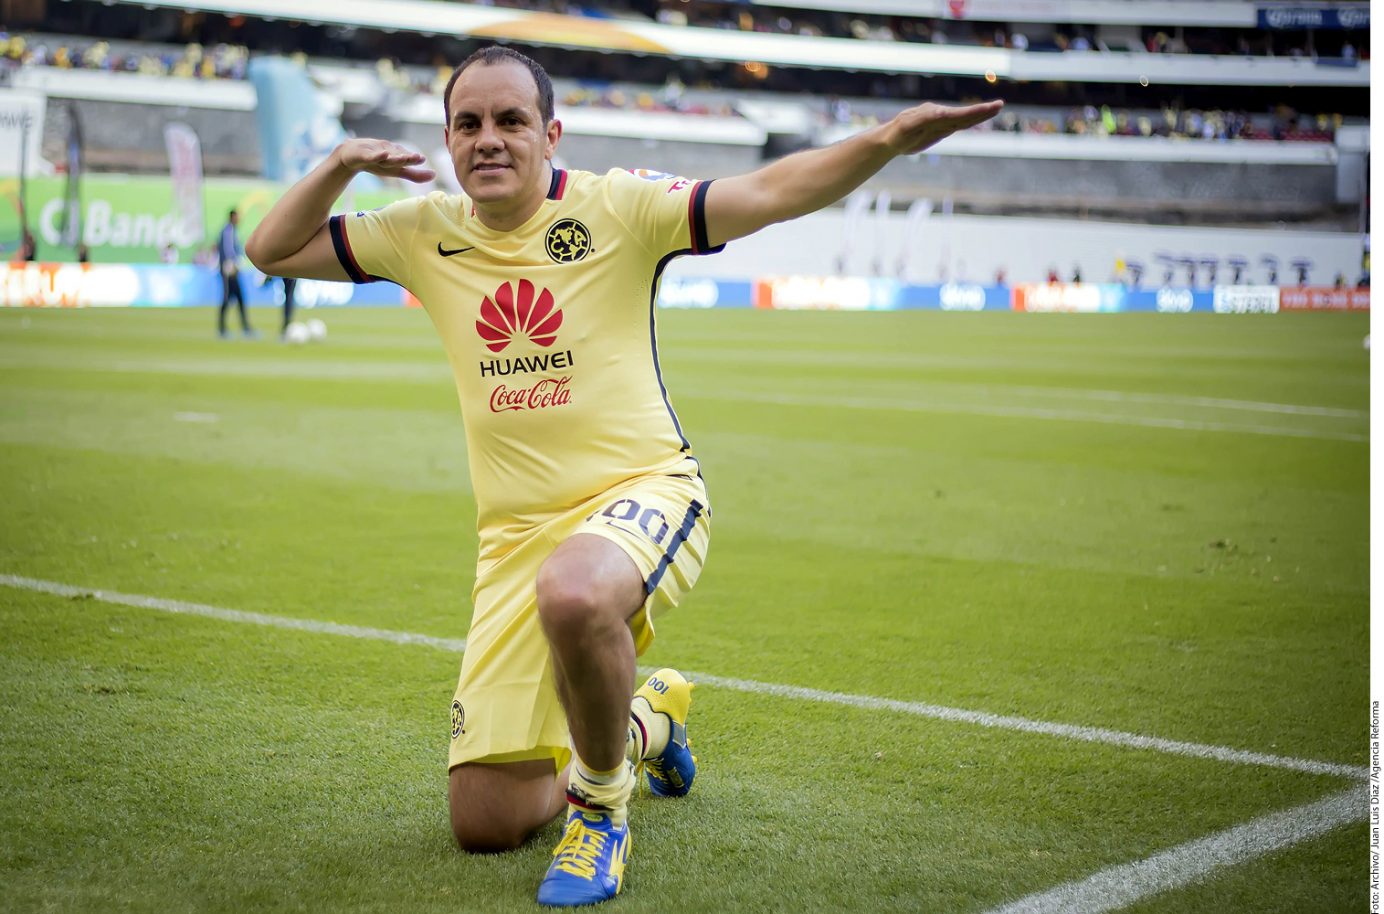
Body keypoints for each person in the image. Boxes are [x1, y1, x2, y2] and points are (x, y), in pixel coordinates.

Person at [246, 45, 1000, 908]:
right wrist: (342, 162)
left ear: (551, 134)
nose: (488, 140)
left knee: (574, 590)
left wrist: (889, 139)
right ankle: (645, 721)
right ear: (448, 140)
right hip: (512, 540)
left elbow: (769, 194)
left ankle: (601, 812)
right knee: (483, 823)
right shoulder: (422, 231)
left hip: (642, 493)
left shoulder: (620, 207)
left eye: (511, 121)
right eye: (468, 124)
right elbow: (272, 250)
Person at [218, 209, 256, 338]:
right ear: (232, 217)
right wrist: (233, 263)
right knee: (227, 298)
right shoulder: (228, 231)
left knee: (238, 298)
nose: (239, 219)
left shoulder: (232, 230)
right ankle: (222, 329)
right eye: (237, 217)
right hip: (229, 270)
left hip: (233, 270)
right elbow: (228, 250)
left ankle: (245, 327)